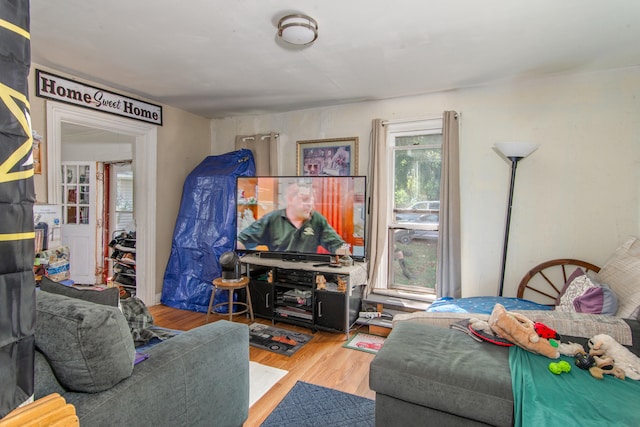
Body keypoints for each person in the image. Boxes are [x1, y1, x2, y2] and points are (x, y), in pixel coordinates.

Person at [237, 182, 347, 255]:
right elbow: (241, 241)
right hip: (277, 273)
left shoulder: (317, 219)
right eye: (304, 199)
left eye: (311, 200)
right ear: (290, 200)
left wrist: (350, 260)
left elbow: (339, 245)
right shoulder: (272, 219)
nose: (310, 205)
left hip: (310, 273)